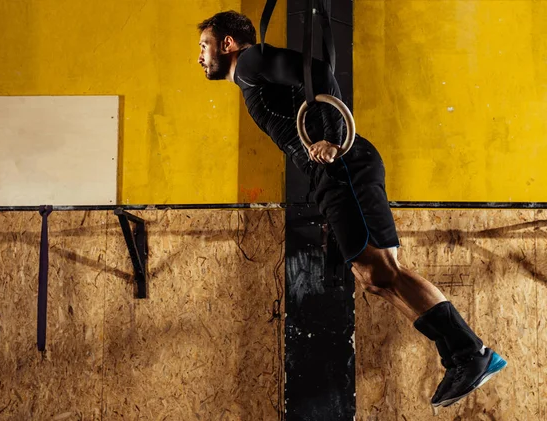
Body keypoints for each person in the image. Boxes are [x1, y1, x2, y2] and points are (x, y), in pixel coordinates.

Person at [196, 10, 506, 408]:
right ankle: (460, 356)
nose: (200, 57)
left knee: (384, 270)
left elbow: (320, 72)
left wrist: (331, 137)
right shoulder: (248, 79)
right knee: (372, 278)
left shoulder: (251, 60)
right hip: (333, 173)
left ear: (227, 43)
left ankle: (470, 353)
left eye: (204, 46)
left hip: (344, 165)